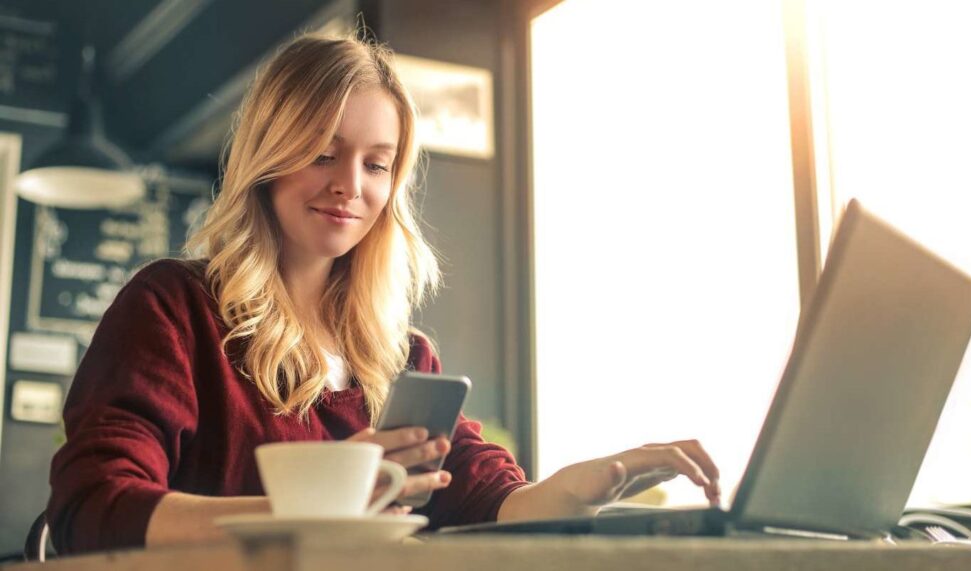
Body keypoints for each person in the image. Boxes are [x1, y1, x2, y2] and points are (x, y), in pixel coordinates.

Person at [47, 33, 720, 555]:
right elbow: (93, 505)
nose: (351, 186)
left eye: (376, 163)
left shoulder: (401, 354)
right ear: (268, 156)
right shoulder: (173, 308)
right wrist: (319, 501)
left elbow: (485, 497)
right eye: (321, 152)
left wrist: (586, 483)